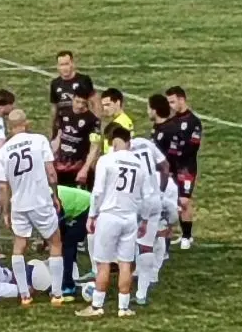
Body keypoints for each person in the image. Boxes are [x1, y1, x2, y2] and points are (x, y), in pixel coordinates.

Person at [76, 126, 155, 319]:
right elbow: (148, 197)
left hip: (109, 215)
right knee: (126, 263)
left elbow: (98, 191)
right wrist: (144, 219)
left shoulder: (106, 160)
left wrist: (92, 215)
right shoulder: (139, 164)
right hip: (129, 217)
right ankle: (123, 307)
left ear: (113, 141)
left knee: (103, 263)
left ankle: (97, 306)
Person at [0, 109, 66, 306]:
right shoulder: (39, 140)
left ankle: (25, 294)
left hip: (19, 204)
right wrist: (55, 195)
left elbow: (2, 185)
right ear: (26, 123)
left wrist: (6, 211)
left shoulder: (4, 151)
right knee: (55, 242)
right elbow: (51, 171)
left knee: (20, 245)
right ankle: (57, 294)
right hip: (40, 200)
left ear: (10, 127)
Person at [128, 130, 170, 305]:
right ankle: (141, 293)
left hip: (134, 202)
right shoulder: (146, 143)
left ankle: (118, 289)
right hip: (154, 200)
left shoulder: (119, 155)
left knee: (123, 242)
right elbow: (165, 166)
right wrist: (160, 190)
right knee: (146, 245)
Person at [157, 88, 202, 249]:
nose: (170, 105)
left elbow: (193, 146)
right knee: (174, 200)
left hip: (186, 168)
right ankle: (179, 233)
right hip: (173, 168)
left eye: (173, 101)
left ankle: (187, 236)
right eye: (168, 102)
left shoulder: (193, 122)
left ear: (182, 100)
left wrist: (177, 155)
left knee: (184, 201)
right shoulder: (172, 122)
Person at [52, 85, 101, 188]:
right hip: (60, 166)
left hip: (78, 169)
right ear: (72, 98)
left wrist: (85, 169)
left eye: (83, 103)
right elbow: (59, 137)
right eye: (77, 101)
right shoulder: (63, 113)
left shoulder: (92, 121)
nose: (80, 106)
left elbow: (94, 148)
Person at [49, 50, 96, 137]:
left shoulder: (83, 80)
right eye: (61, 65)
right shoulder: (55, 83)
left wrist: (96, 125)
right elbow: (54, 108)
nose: (64, 68)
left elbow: (94, 103)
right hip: (63, 128)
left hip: (82, 126)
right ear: (57, 67)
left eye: (67, 64)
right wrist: (53, 131)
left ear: (72, 64)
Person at [57, 185, 92, 299]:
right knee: (66, 243)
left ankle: (68, 286)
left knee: (68, 244)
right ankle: (70, 276)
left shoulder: (46, 199)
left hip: (86, 207)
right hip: (79, 205)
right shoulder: (42, 192)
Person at [100, 88, 133, 153]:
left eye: (108, 105)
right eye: (103, 105)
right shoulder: (123, 119)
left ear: (118, 103)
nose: (105, 108)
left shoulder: (120, 124)